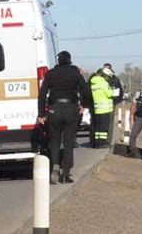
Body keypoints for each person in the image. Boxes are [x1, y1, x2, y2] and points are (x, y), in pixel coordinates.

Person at [38, 51, 90, 184]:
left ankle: (55, 164)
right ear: (69, 60)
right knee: (68, 142)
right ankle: (65, 174)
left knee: (54, 142)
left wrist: (41, 114)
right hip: (71, 109)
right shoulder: (75, 73)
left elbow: (42, 94)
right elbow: (85, 90)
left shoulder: (51, 74)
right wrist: (84, 105)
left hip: (54, 109)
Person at [89, 69, 113, 148]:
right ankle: (102, 143)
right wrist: (113, 91)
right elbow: (109, 94)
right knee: (103, 128)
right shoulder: (104, 83)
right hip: (105, 108)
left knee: (98, 127)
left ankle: (97, 143)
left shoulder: (94, 83)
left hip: (97, 108)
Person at [103, 63, 123, 145]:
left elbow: (120, 92)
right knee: (101, 122)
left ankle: (108, 140)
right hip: (101, 104)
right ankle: (100, 140)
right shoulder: (100, 78)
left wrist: (116, 101)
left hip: (111, 104)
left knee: (110, 123)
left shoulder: (115, 79)